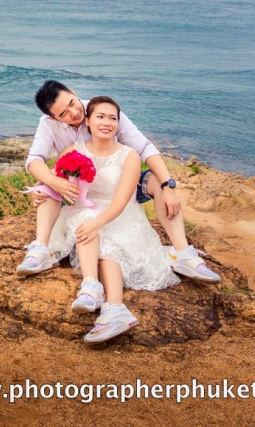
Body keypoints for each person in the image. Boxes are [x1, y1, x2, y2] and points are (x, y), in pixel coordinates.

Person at [15, 80, 219, 284]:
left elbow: (144, 147)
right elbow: (33, 160)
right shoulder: (48, 124)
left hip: (117, 181)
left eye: (71, 103)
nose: (73, 113)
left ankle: (183, 254)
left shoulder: (101, 111)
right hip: (81, 189)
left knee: (157, 181)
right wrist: (52, 181)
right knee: (45, 186)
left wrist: (169, 185)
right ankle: (40, 250)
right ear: (53, 117)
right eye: (63, 114)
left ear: (72, 92)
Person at [56, 96, 180, 342]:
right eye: (100, 117)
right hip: (85, 211)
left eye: (113, 118)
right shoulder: (74, 151)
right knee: (89, 223)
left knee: (107, 246)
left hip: (120, 214)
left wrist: (98, 223)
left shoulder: (129, 155)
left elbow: (122, 201)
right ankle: (96, 291)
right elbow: (54, 177)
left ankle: (112, 307)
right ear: (88, 121)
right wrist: (46, 189)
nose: (107, 122)